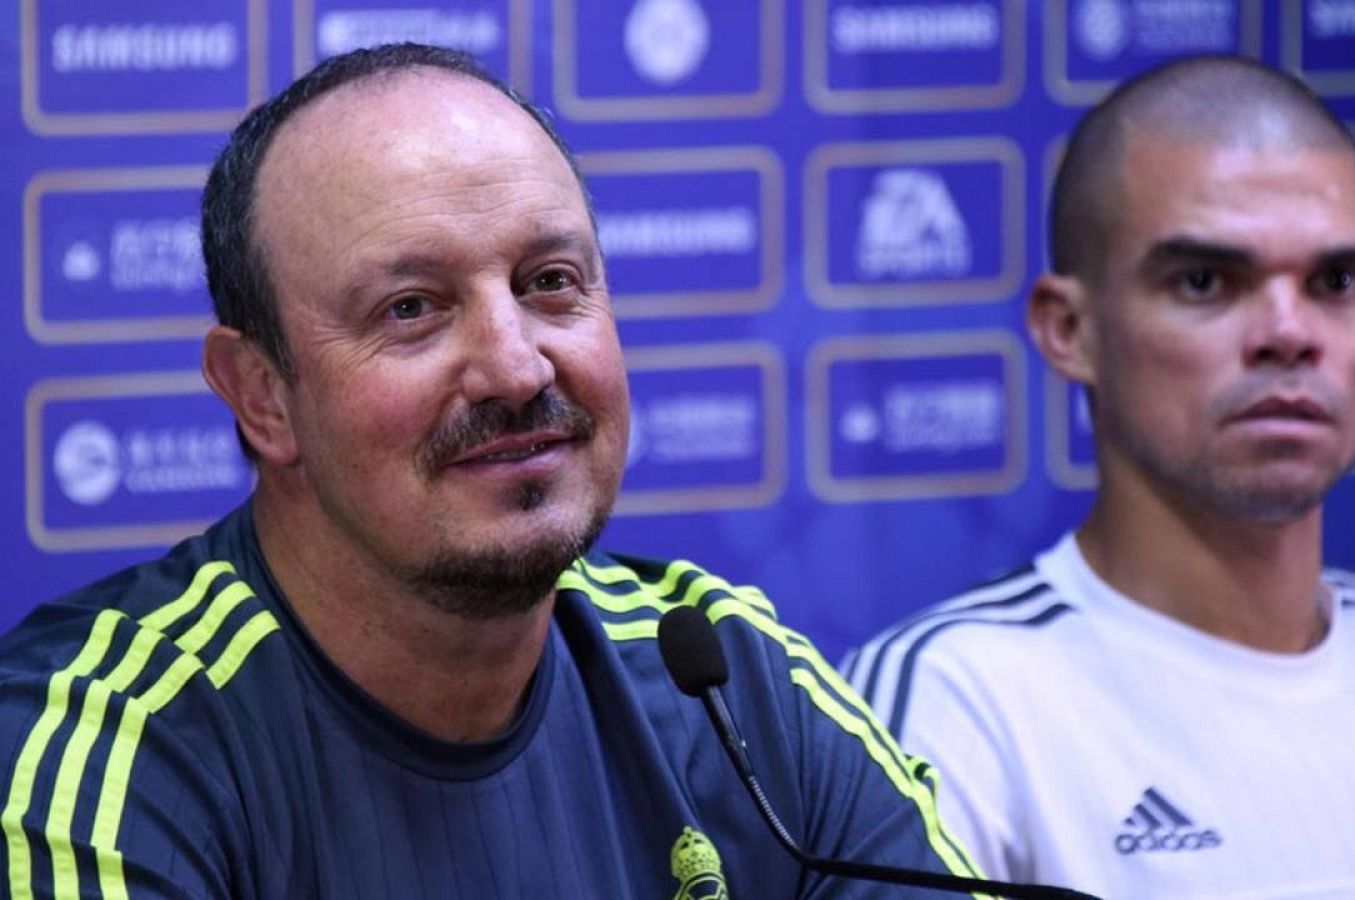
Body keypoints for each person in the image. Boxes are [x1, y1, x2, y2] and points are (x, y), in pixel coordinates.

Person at [0, 44, 985, 899]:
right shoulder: (109, 744)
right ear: (262, 395)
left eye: (549, 284)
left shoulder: (727, 683)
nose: (515, 366)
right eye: (413, 309)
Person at [845, 55, 1355, 897]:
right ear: (1069, 329)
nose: (1289, 332)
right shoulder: (962, 701)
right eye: (1206, 281)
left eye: (1337, 281)